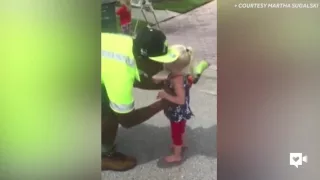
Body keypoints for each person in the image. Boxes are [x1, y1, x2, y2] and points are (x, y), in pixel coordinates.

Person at [101, 26, 181, 171]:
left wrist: (163, 85)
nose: (160, 66)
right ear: (141, 59)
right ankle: (103, 156)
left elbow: (136, 77)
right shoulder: (120, 72)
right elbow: (127, 120)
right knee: (110, 111)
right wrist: (164, 103)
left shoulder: (130, 45)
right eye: (156, 62)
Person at [153, 45, 209, 163]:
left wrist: (165, 95)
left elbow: (180, 100)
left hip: (177, 111)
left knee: (176, 134)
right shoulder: (184, 75)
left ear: (170, 65)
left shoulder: (177, 81)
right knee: (181, 129)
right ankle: (182, 144)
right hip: (183, 110)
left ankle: (177, 155)